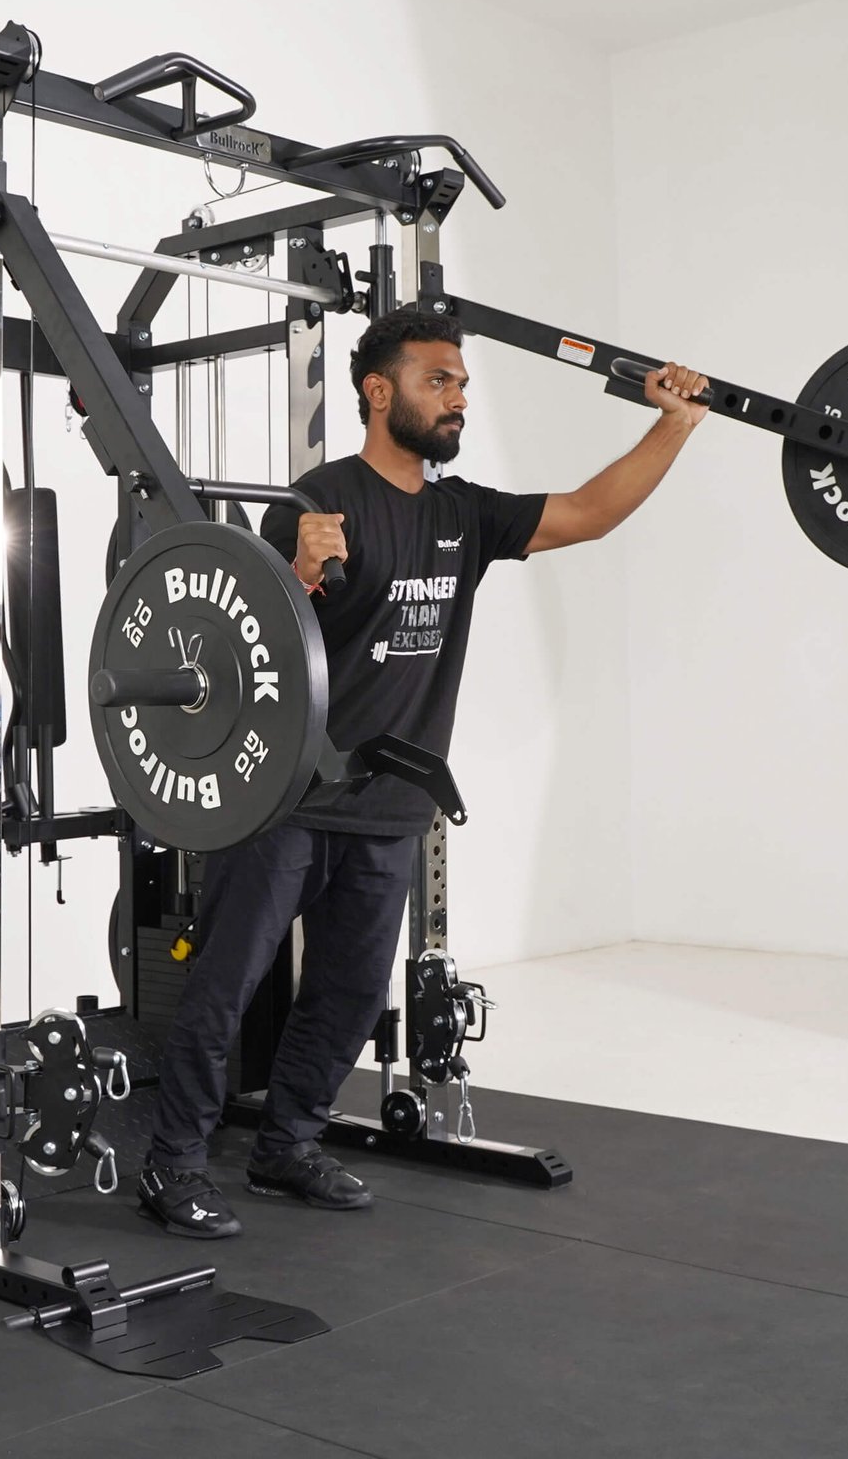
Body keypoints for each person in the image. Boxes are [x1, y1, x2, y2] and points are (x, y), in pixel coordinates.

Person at [137, 306, 709, 1238]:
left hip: (391, 803)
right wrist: (297, 571)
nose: (458, 398)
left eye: (463, 384)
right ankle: (174, 1164)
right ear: (379, 391)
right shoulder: (317, 501)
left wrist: (674, 424)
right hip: (287, 798)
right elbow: (239, 645)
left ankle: (288, 1145)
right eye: (438, 380)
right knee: (226, 986)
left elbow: (588, 513)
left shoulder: (462, 513)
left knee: (353, 993)